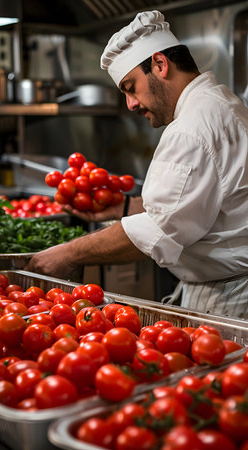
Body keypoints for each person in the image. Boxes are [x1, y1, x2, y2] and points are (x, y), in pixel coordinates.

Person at [25, 10, 248, 318]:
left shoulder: (191, 128)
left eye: (130, 87)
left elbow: (158, 231)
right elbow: (194, 205)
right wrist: (122, 208)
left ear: (160, 64)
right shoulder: (222, 103)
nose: (130, 104)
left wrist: (67, 254)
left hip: (228, 300)